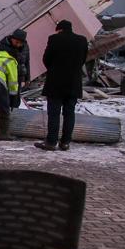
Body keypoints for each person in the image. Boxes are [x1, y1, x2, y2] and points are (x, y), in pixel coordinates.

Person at [36, 20, 90, 152]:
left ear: (59, 29)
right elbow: (83, 59)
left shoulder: (54, 39)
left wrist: (54, 69)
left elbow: (46, 59)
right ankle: (65, 142)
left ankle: (51, 142)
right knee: (69, 113)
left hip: (56, 82)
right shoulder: (82, 40)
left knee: (54, 113)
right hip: (73, 83)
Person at [0, 29, 31, 109]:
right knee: (5, 98)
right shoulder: (2, 47)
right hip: (6, 76)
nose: (18, 45)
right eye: (16, 42)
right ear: (12, 38)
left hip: (18, 76)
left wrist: (27, 78)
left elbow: (26, 62)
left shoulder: (25, 47)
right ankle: (3, 114)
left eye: (20, 43)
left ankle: (12, 115)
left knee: (15, 99)